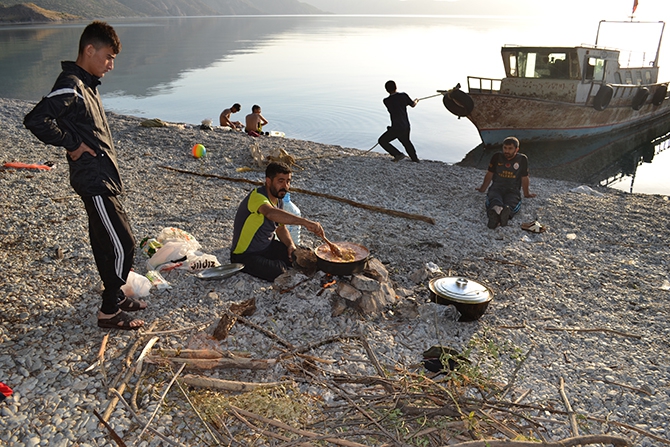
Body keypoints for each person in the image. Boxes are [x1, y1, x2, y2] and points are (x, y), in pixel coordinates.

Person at [24, 21, 146, 330]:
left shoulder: (86, 84)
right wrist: (73, 144)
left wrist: (75, 140)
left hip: (103, 177)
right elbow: (37, 119)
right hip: (94, 181)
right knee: (124, 243)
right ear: (89, 50)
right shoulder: (73, 84)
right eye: (108, 57)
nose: (111, 65)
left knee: (106, 241)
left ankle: (115, 295)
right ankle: (108, 310)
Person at [230, 162, 326, 281]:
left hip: (267, 247)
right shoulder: (257, 197)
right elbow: (270, 213)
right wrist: (305, 222)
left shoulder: (278, 200)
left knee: (306, 255)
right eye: (281, 181)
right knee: (279, 271)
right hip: (245, 255)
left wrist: (290, 245)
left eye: (288, 181)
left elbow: (280, 228)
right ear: (268, 181)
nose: (285, 186)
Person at [476, 136, 537, 229]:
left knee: (512, 202)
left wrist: (526, 193)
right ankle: (497, 211)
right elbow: (489, 174)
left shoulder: (522, 159)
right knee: (494, 199)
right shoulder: (497, 156)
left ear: (516, 149)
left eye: (510, 148)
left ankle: (502, 215)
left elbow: (524, 177)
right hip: (497, 187)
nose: (506, 151)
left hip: (513, 189)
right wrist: (482, 189)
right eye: (505, 148)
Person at [378, 80, 419, 163]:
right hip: (405, 125)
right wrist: (416, 100)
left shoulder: (386, 101)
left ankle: (397, 154)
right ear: (396, 87)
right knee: (406, 142)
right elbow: (412, 105)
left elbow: (395, 104)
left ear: (386, 90)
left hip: (396, 127)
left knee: (382, 141)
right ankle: (415, 159)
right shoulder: (403, 96)